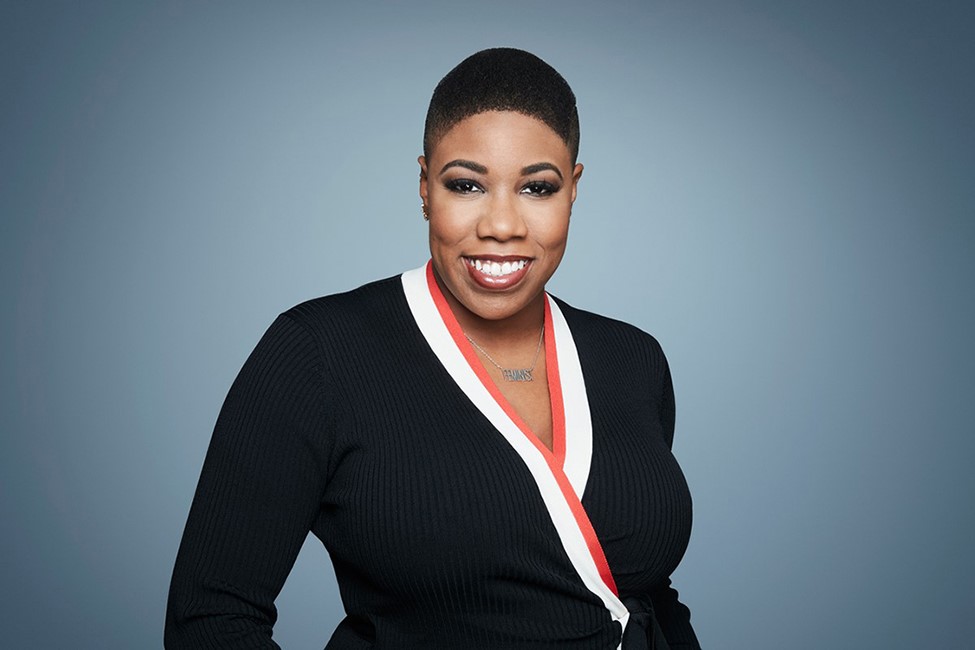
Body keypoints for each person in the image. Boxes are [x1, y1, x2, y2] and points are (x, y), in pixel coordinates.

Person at [165, 47, 699, 649]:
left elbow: (644, 592)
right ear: (424, 185)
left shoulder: (632, 359)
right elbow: (210, 619)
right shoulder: (318, 353)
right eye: (467, 184)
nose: (502, 225)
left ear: (573, 189)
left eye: (537, 188)